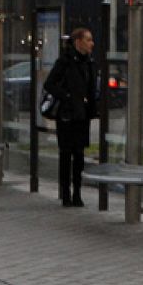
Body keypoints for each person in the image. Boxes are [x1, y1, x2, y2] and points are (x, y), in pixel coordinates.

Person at [43, 27, 99, 208]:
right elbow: (49, 84)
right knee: (66, 154)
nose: (92, 43)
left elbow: (91, 89)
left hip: (82, 115)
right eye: (88, 40)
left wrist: (93, 107)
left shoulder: (89, 62)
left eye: (91, 40)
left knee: (79, 155)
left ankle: (77, 193)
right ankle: (66, 193)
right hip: (67, 115)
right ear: (78, 42)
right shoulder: (65, 61)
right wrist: (68, 97)